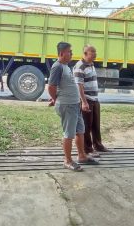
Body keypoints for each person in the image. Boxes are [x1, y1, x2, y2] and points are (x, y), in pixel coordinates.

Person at [48, 41, 99, 171]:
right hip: (67, 105)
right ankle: (67, 160)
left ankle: (82, 156)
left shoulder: (66, 66)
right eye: (69, 52)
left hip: (75, 104)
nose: (72, 54)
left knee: (80, 130)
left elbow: (62, 85)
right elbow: (51, 86)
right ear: (61, 53)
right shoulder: (57, 66)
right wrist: (55, 99)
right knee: (69, 134)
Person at [73, 44, 109, 156]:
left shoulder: (91, 64)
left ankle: (98, 145)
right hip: (86, 99)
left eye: (95, 51)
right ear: (85, 54)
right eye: (92, 52)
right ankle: (87, 149)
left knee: (95, 124)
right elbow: (79, 85)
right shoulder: (80, 66)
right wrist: (83, 102)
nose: (95, 54)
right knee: (86, 126)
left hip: (94, 99)